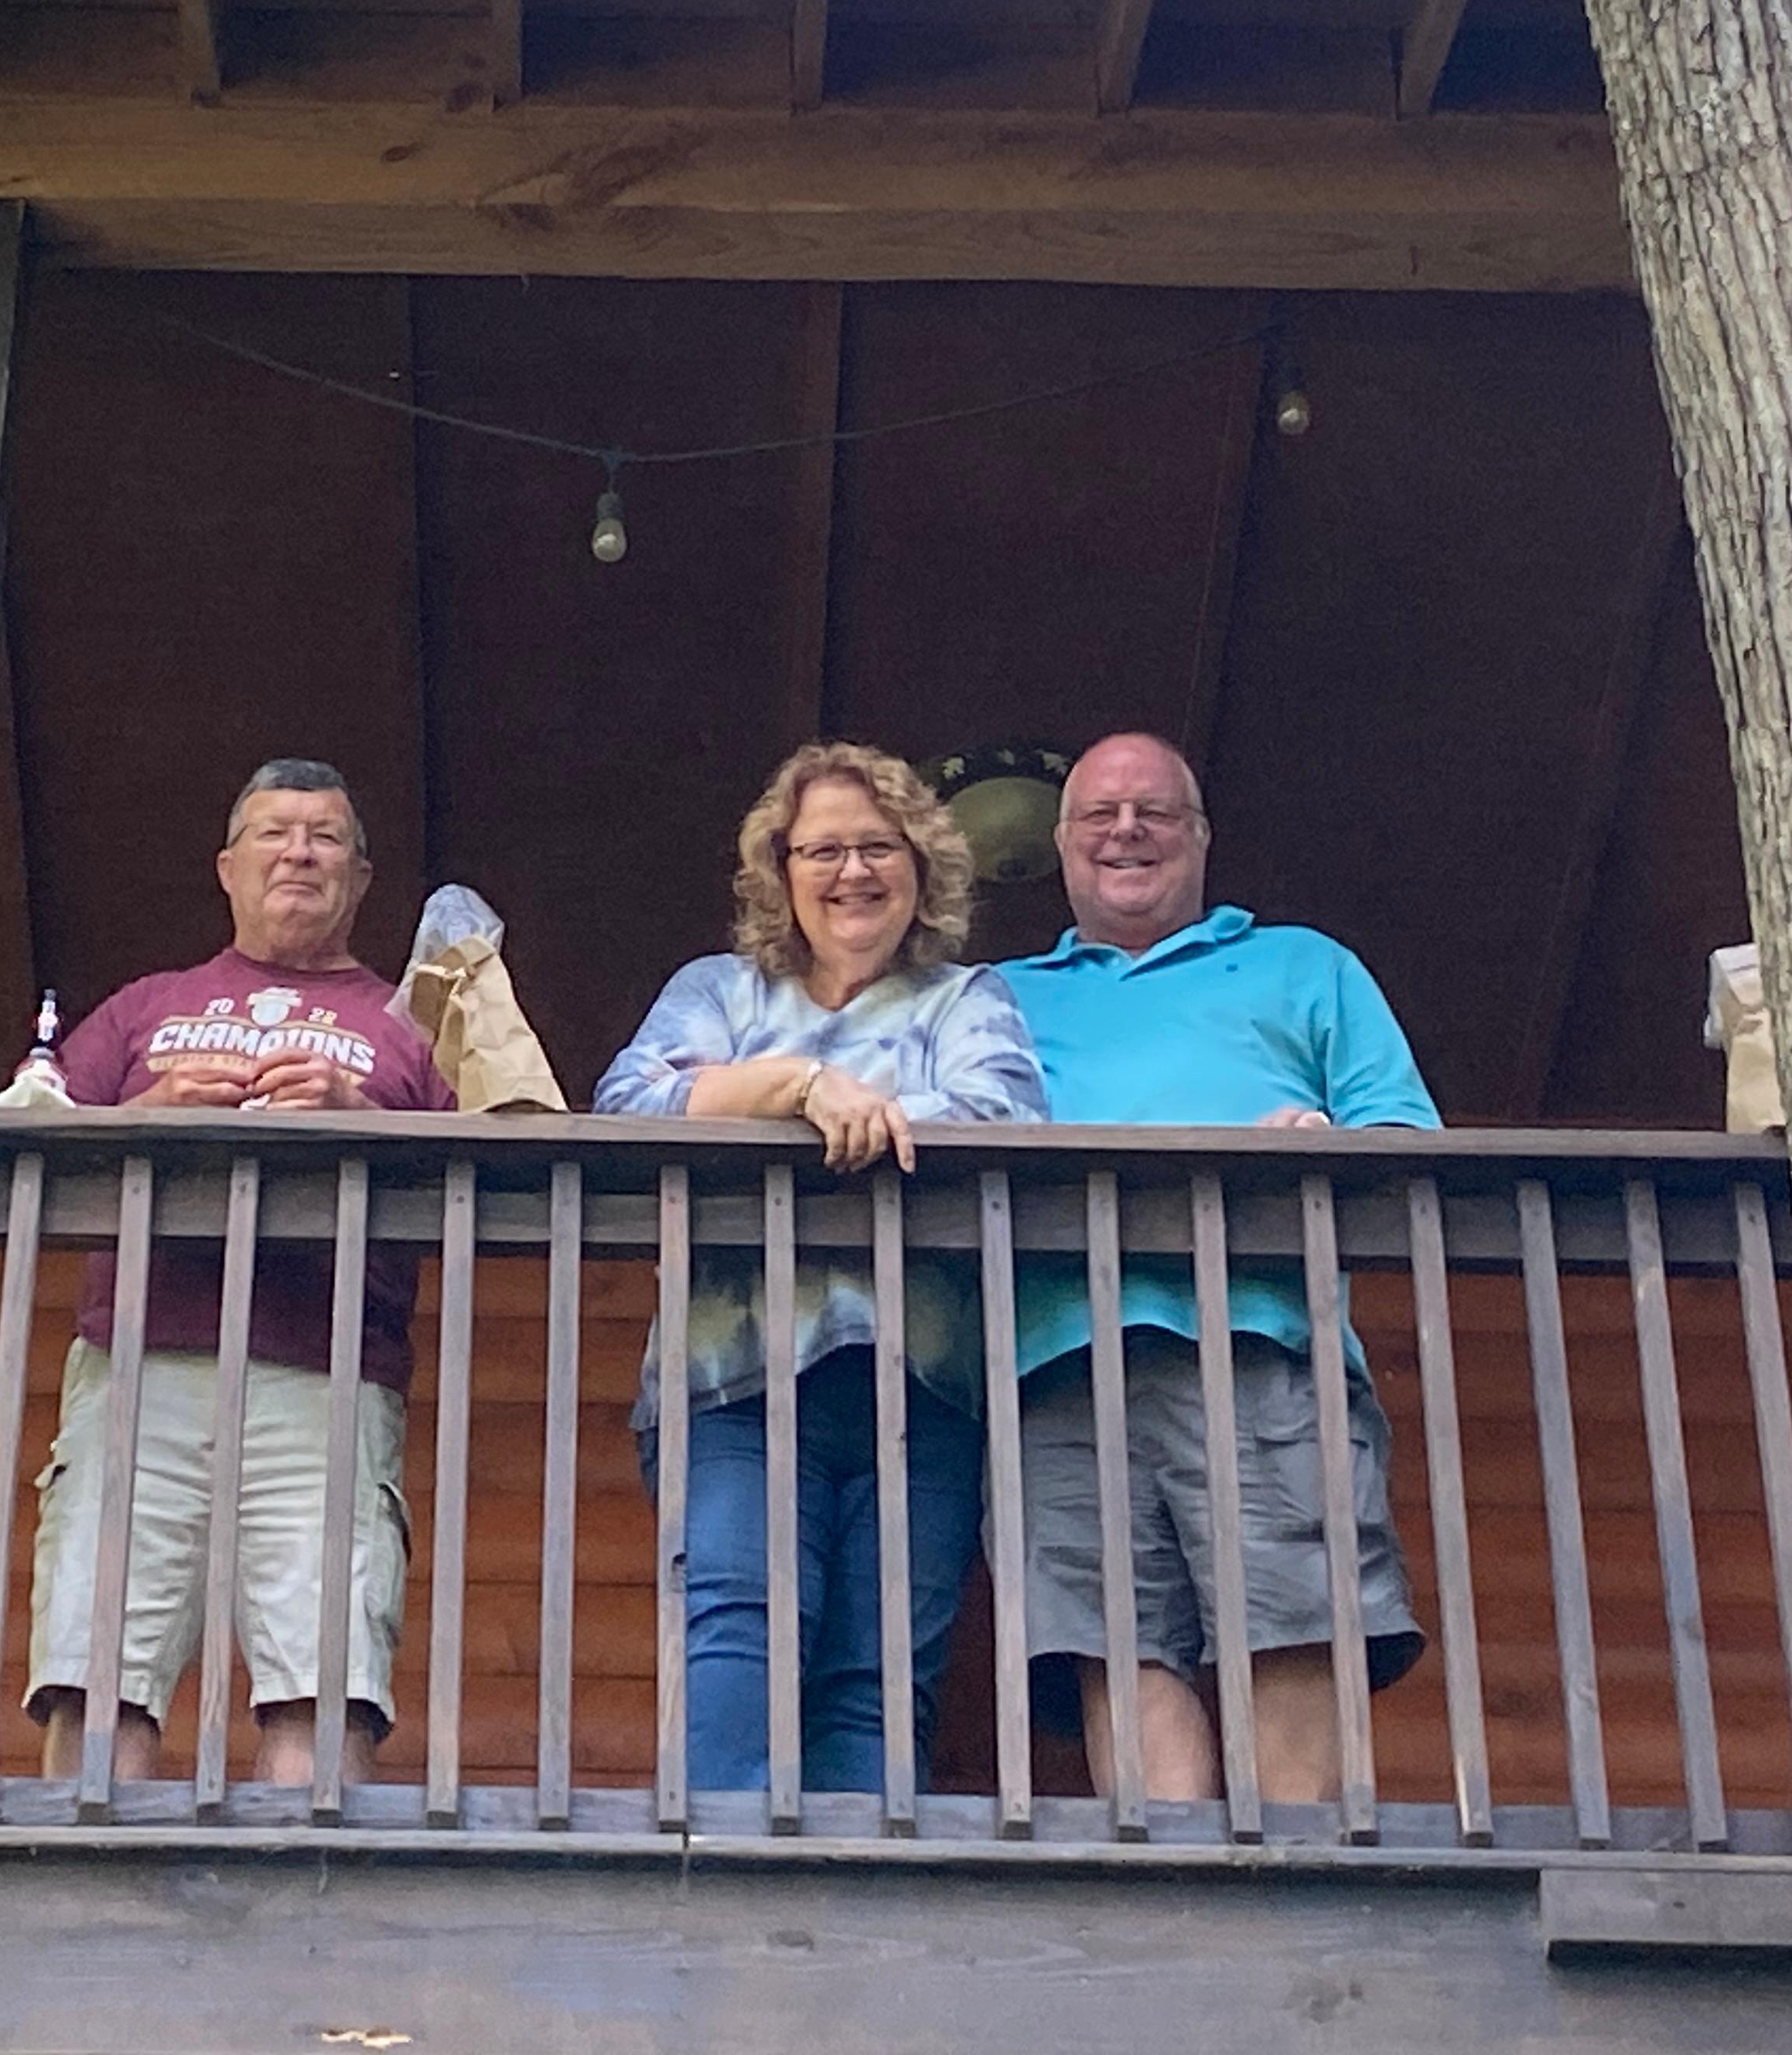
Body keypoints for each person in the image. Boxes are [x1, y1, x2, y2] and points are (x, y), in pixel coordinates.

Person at [596, 741, 1047, 1792]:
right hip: (733, 1381)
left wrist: (796, 1112)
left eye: (878, 847)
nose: (853, 872)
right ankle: (731, 1915)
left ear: (921, 866)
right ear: (781, 870)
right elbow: (627, 1106)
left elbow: (1002, 1116)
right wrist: (800, 1086)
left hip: (921, 1384)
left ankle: (854, 1920)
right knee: (740, 1635)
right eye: (824, 851)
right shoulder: (718, 990)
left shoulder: (964, 997)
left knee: (880, 1675)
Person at [998, 731, 1432, 1806]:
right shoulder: (998, 996)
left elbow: (1406, 1139)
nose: (1127, 831)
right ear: (1062, 847)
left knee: (1293, 1610)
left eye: (1154, 812)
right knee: (1107, 1634)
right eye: (1100, 815)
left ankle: (1295, 1891)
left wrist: (1324, 1142)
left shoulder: (1303, 965)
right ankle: (1178, 1891)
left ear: (1199, 839)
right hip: (1060, 1353)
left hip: (1259, 1337)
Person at [24, 758, 455, 1790]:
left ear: (360, 877)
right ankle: (83, 1925)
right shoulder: (144, 1011)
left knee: (323, 1678)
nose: (298, 853)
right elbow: (27, 1146)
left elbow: (493, 1170)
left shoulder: (413, 1024)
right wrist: (153, 1111)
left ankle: (300, 1939)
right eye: (274, 834)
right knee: (100, 1672)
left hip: (327, 1373)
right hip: (136, 1365)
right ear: (228, 867)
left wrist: (362, 1117)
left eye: (324, 838)